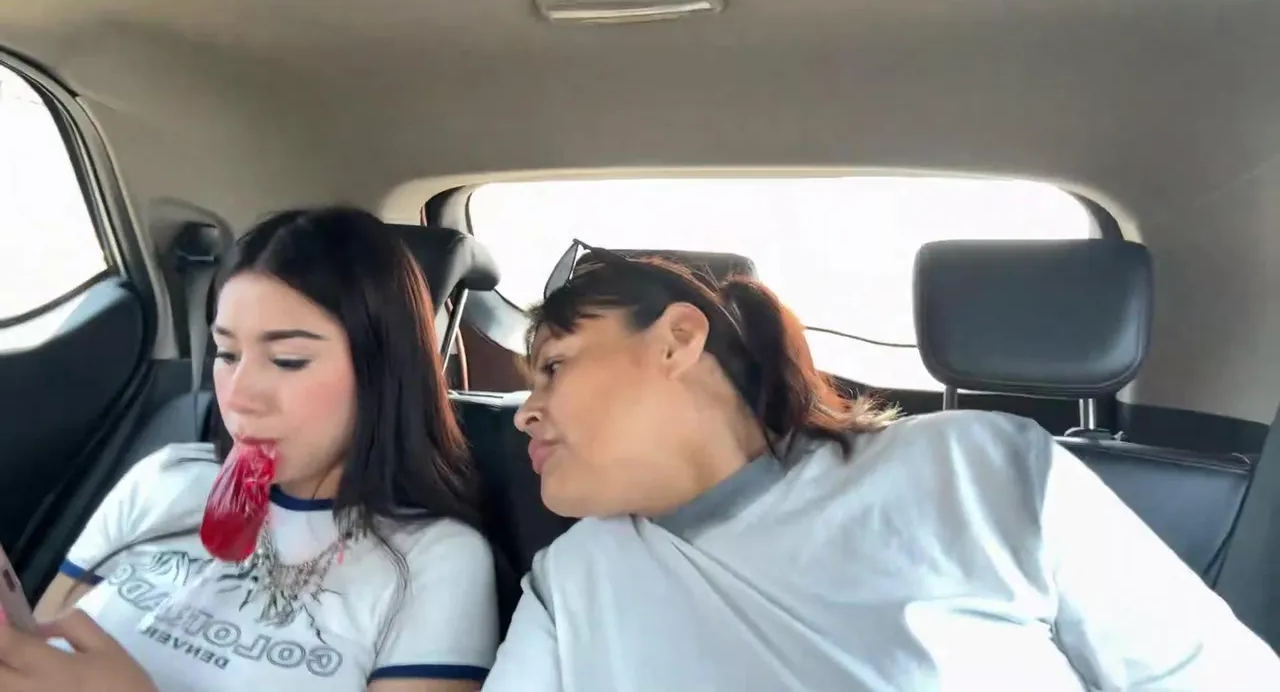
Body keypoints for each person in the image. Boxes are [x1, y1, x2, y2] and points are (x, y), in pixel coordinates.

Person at [481, 240, 1280, 691]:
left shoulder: (976, 472)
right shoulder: (569, 580)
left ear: (677, 341)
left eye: (553, 366)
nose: (525, 411)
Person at [0, 207, 499, 691]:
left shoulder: (433, 560)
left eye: (287, 360)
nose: (238, 396)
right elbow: (36, 648)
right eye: (228, 354)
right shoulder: (164, 479)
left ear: (383, 375)